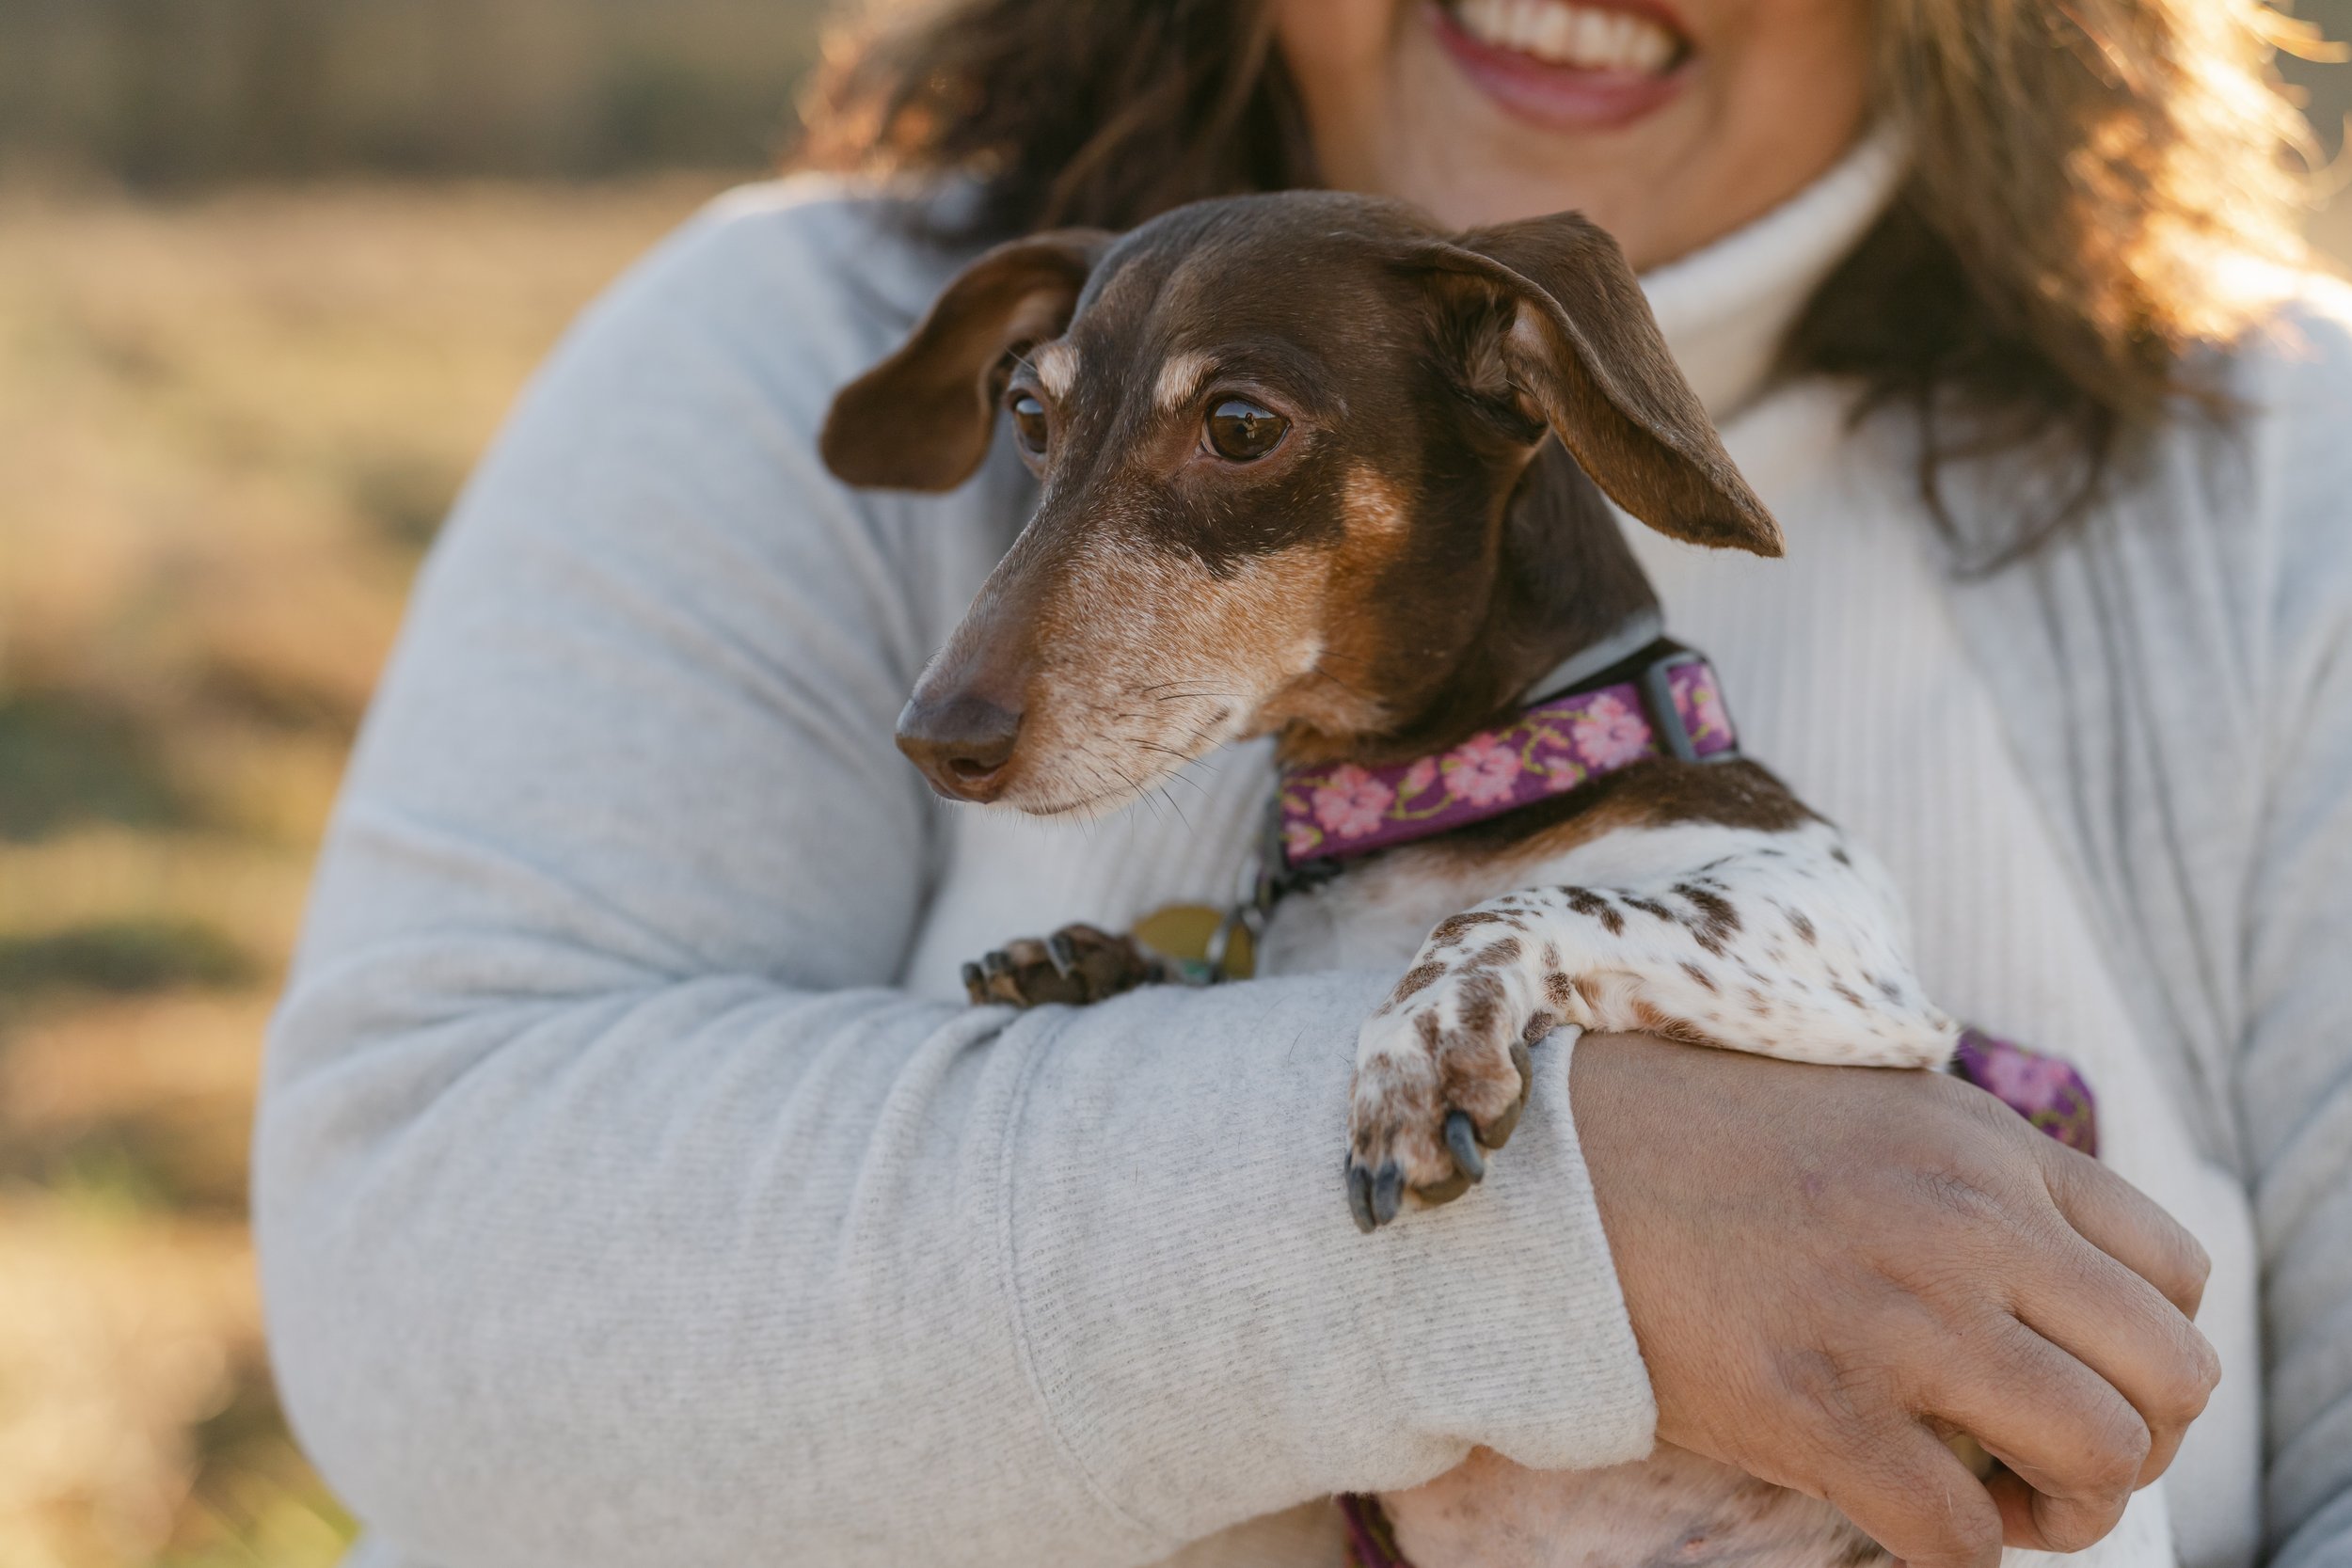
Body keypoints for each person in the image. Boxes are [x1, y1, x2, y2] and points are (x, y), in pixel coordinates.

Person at [251, 0, 2351, 1564]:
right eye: (1045, 426)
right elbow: (426, 1264)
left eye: (1234, 433)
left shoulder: (2287, 481)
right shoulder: (786, 327)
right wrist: (1561, 1224)